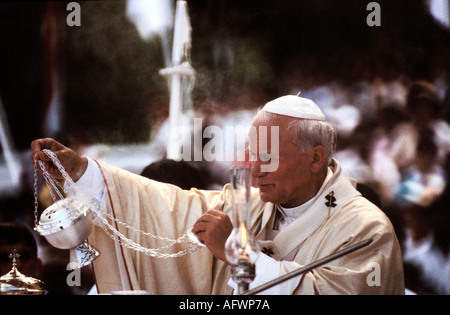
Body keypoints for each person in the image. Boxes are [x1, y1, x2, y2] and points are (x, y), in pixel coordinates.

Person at [30, 95, 405, 294]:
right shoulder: (251, 203)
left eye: (268, 157)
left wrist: (240, 254)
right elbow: (173, 208)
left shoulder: (366, 229)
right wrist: (85, 172)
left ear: (316, 158)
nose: (254, 169)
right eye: (252, 155)